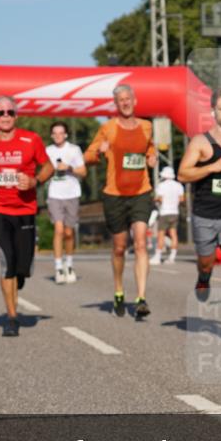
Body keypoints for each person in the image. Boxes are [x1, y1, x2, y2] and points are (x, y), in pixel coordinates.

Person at [0, 95, 52, 337]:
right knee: (7, 261)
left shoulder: (31, 139)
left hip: (25, 210)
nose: (6, 116)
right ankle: (12, 317)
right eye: (1, 112)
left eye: (10, 112)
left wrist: (35, 180)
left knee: (22, 267)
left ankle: (20, 273)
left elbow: (48, 166)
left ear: (17, 115)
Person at [178, 88, 221, 341]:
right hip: (205, 215)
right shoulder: (201, 142)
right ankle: (204, 277)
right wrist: (211, 167)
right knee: (207, 261)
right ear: (213, 112)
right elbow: (183, 174)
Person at [84, 84, 157, 318]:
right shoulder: (108, 128)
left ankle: (141, 297)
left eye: (128, 99)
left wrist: (152, 156)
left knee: (141, 244)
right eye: (120, 100)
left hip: (141, 192)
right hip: (115, 194)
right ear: (115, 104)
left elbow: (149, 149)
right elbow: (88, 156)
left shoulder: (147, 127)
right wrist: (98, 152)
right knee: (118, 248)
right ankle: (118, 290)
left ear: (134, 101)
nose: (125, 103)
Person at [45, 121, 87, 284]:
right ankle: (58, 267)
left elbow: (83, 172)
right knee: (59, 230)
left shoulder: (74, 150)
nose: (58, 136)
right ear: (51, 135)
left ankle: (69, 265)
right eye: (55, 133)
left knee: (69, 233)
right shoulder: (48, 151)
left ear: (66, 134)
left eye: (61, 133)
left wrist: (69, 168)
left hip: (72, 193)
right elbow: (42, 170)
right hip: (55, 194)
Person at [151, 166, 184, 265]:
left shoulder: (161, 185)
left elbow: (160, 199)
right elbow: (182, 199)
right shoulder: (179, 185)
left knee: (161, 234)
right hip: (175, 211)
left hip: (164, 212)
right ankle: (172, 256)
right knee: (173, 234)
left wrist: (155, 200)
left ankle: (158, 256)